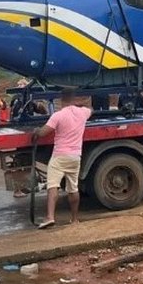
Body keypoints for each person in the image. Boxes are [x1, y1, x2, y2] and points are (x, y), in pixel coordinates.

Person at [31, 88, 92, 229]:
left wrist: (36, 131)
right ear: (74, 99)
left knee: (53, 186)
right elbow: (91, 110)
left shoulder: (58, 115)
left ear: (61, 100)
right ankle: (75, 219)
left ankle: (50, 217)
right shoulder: (83, 113)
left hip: (60, 156)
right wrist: (81, 106)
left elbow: (44, 132)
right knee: (73, 188)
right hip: (76, 156)